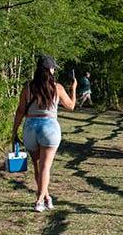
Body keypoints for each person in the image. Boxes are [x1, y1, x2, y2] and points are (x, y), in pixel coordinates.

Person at [12, 55, 77, 212]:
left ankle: (46, 197)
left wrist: (14, 132)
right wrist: (74, 88)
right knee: (45, 167)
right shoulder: (57, 88)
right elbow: (71, 106)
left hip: (30, 127)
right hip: (50, 128)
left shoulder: (28, 88)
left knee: (37, 166)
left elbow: (20, 111)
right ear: (50, 70)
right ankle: (40, 200)